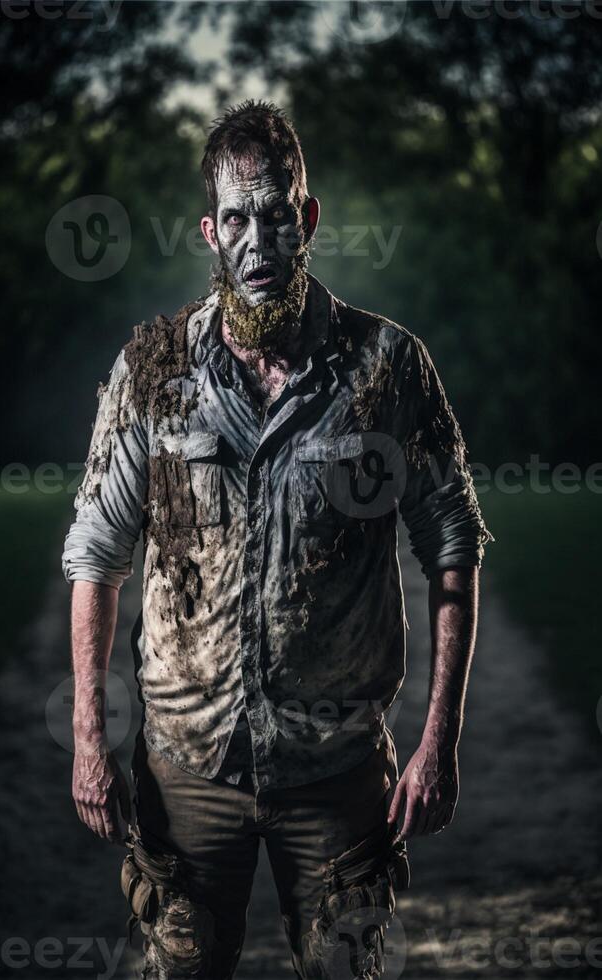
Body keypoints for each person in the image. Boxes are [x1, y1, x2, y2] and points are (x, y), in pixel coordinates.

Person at [62, 100, 492, 980]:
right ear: (210, 231)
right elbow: (96, 554)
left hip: (334, 776)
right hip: (185, 770)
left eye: (276, 214)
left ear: (307, 218)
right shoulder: (152, 369)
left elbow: (451, 542)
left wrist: (439, 738)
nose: (259, 241)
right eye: (237, 219)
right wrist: (85, 735)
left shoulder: (388, 367)